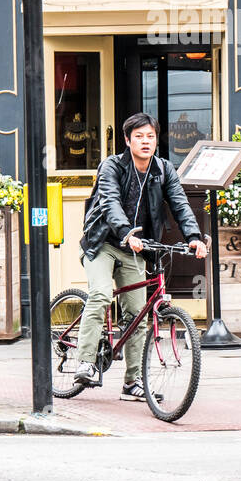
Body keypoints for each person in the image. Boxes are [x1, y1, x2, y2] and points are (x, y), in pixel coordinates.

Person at [75, 112, 205, 401]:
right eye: (139, 137)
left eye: (150, 136)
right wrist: (126, 232)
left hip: (137, 248)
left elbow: (180, 203)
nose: (146, 142)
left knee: (137, 314)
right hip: (104, 243)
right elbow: (109, 201)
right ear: (127, 140)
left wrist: (194, 237)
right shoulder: (112, 166)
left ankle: (132, 383)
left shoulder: (163, 168)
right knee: (99, 294)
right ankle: (84, 361)